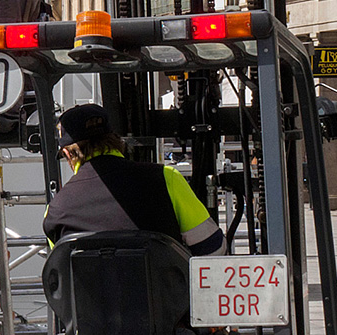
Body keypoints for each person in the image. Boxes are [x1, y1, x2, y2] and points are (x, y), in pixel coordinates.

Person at [42, 104, 222, 254]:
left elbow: (62, 267)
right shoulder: (166, 179)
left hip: (92, 298)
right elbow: (212, 247)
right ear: (117, 140)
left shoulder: (56, 209)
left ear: (67, 153)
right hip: (164, 295)